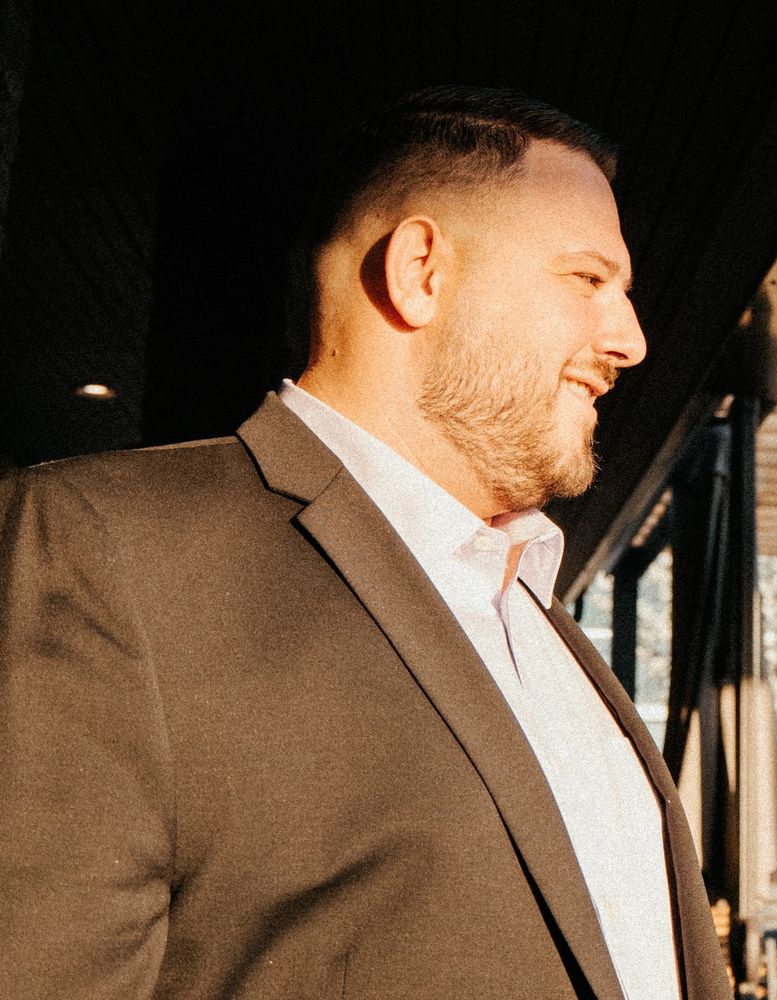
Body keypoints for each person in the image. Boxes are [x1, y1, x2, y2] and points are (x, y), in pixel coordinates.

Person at [0, 86, 729, 1000]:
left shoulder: (534, 611)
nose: (630, 340)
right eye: (587, 279)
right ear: (421, 269)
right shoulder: (98, 547)